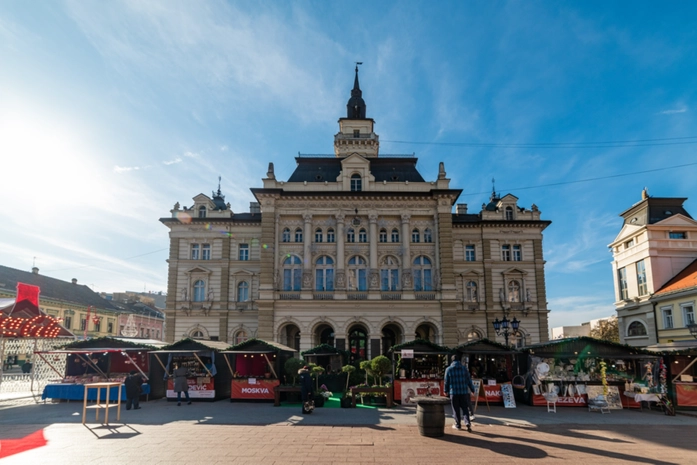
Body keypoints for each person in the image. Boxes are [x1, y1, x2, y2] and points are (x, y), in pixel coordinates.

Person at [444, 355, 476, 432]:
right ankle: (467, 422)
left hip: (454, 392)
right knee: (465, 408)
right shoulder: (464, 369)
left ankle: (458, 424)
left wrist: (446, 391)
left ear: (452, 361)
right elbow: (469, 380)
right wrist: (472, 389)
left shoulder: (448, 369)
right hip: (464, 392)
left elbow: (446, 381)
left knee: (456, 409)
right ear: (459, 360)